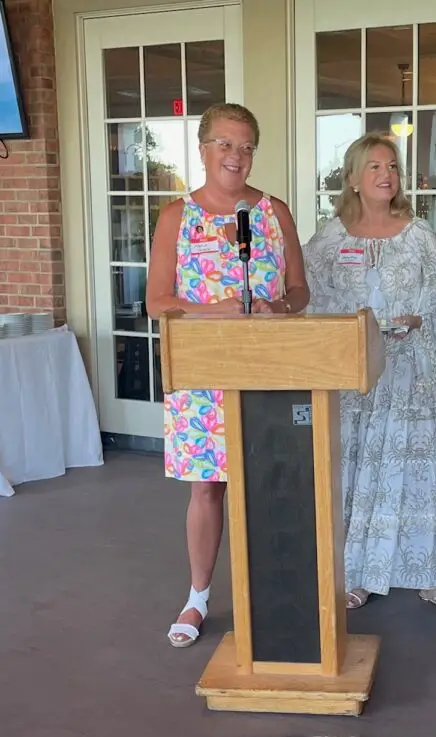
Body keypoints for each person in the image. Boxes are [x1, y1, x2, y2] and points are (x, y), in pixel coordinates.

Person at [146, 103, 309, 647]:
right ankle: (197, 598)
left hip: (267, 369)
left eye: (245, 147)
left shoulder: (272, 212)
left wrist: (277, 309)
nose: (235, 157)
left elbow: (300, 290)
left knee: (269, 489)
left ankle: (269, 597)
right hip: (202, 373)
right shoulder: (176, 216)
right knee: (207, 490)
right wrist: (223, 308)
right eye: (224, 144)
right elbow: (156, 302)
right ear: (202, 148)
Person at [302, 132, 436, 619]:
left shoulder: (417, 233)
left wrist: (418, 320)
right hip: (355, 372)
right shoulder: (331, 236)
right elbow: (311, 294)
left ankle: (430, 579)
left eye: (392, 166)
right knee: (356, 470)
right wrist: (351, 324)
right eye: (374, 166)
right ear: (353, 178)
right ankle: (359, 574)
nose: (386, 174)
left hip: (407, 370)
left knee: (413, 469)